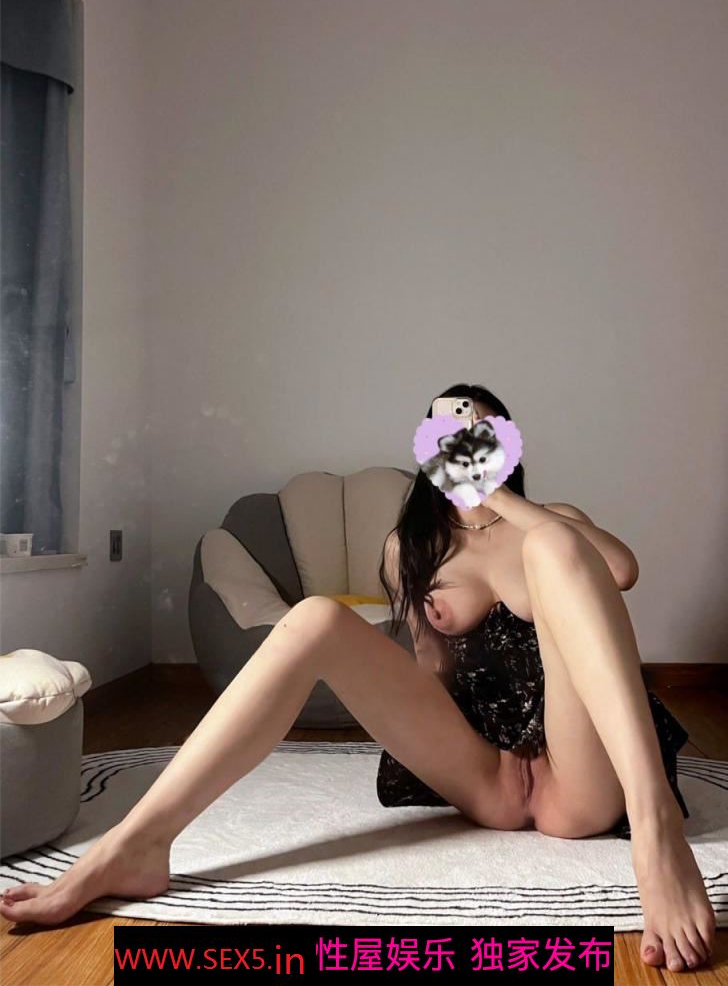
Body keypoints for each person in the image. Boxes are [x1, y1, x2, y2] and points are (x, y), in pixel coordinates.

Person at [0, 384, 716, 975]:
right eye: (443, 434)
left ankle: (655, 829)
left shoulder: (551, 523)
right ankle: (139, 842)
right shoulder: (410, 548)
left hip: (575, 777)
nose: (459, 444)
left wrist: (496, 497)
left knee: (556, 547)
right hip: (490, 777)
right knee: (315, 617)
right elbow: (431, 673)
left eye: (475, 431)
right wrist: (415, 689)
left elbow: (620, 570)